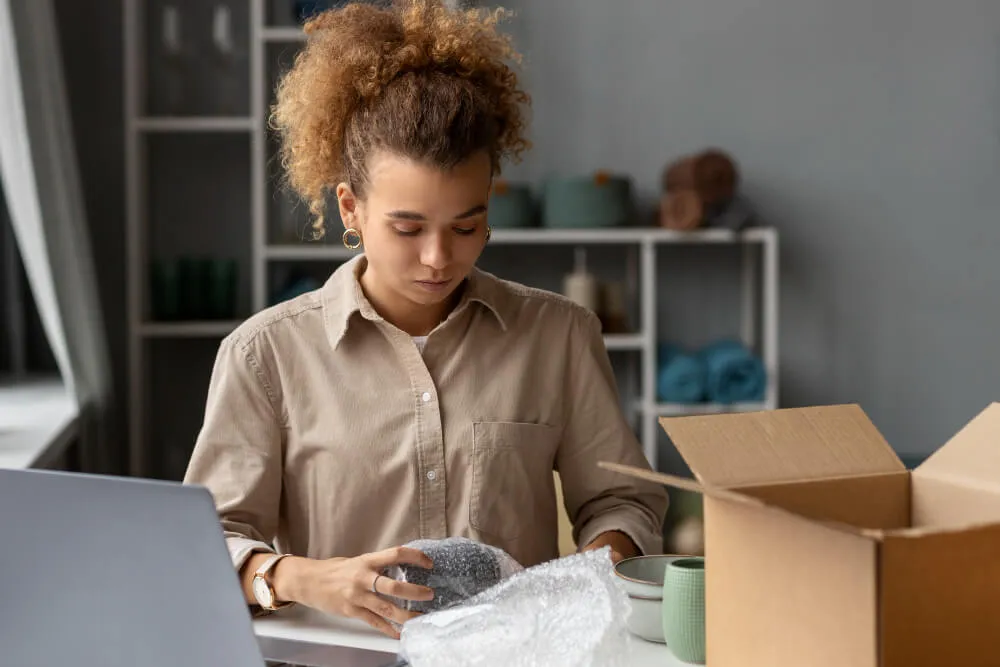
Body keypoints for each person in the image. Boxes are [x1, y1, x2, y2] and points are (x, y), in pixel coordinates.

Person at [184, 0, 668, 640]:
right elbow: (208, 541)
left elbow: (623, 503)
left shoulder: (559, 335)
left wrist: (583, 573)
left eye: (466, 226)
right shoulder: (265, 355)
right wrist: (305, 577)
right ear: (350, 208)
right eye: (407, 228)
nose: (439, 258)